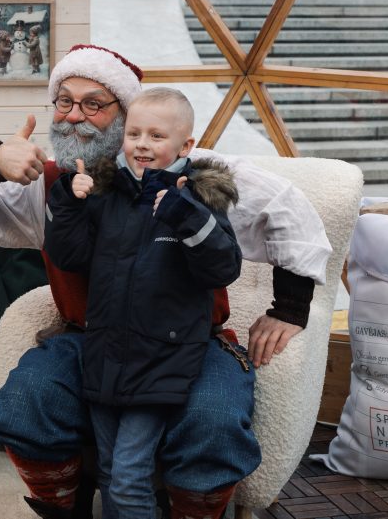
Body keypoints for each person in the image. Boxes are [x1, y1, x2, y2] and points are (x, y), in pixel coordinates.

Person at [0, 44, 332, 519]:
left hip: (189, 344)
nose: (74, 116)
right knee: (24, 404)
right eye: (64, 101)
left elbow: (286, 208)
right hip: (89, 340)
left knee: (214, 422)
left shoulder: (187, 174)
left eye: (93, 104)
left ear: (126, 117)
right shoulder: (49, 180)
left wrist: (290, 308)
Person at [45, 88, 242, 519]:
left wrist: (183, 214)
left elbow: (222, 268)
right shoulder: (108, 194)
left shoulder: (197, 197)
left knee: (131, 478)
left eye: (156, 135)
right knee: (111, 472)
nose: (142, 144)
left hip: (160, 359)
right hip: (105, 354)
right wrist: (67, 201)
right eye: (134, 133)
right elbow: (69, 256)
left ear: (185, 146)